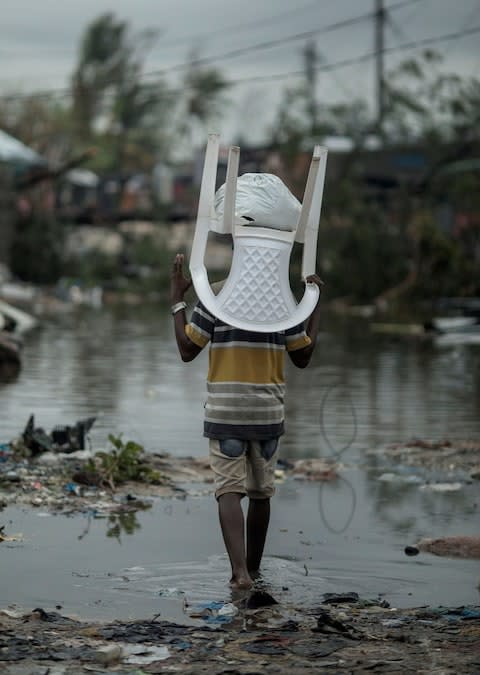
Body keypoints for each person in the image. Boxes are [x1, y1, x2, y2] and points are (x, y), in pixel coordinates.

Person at [171, 252, 324, 589]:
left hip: (227, 411)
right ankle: (254, 572)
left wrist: (177, 300)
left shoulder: (215, 297)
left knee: (229, 491)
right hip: (267, 411)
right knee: (261, 493)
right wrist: (313, 304)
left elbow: (186, 350)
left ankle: (239, 574)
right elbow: (302, 356)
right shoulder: (282, 301)